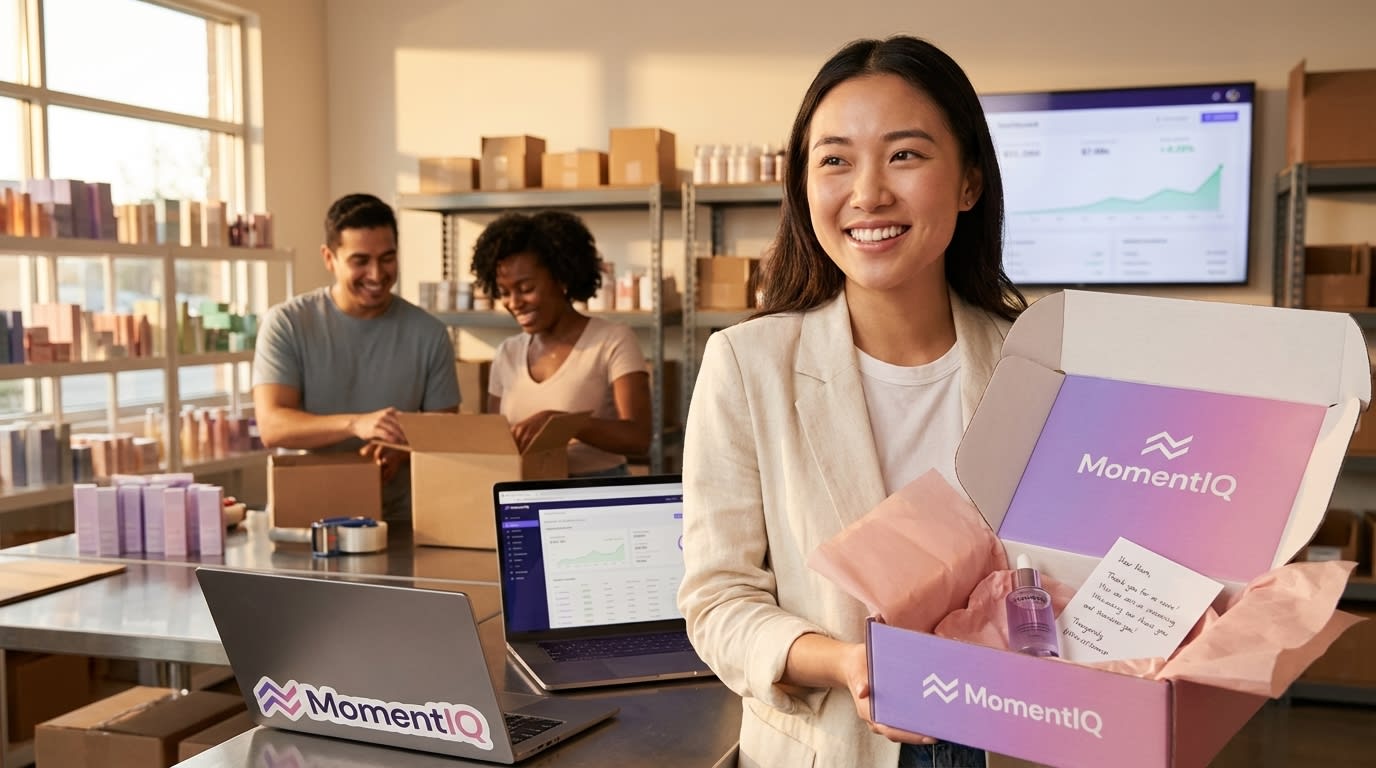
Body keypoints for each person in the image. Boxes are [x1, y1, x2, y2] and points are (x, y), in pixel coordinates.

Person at [677, 36, 1027, 768]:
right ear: (804, 189)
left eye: (905, 154)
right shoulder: (748, 367)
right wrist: (844, 662)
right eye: (835, 159)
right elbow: (718, 600)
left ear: (969, 182)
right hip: (834, 742)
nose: (868, 193)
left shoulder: (1039, 367)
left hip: (1008, 740)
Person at [252, 193, 460, 521]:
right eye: (360, 261)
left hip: (401, 522)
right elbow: (273, 426)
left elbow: (446, 431)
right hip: (306, 518)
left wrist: (400, 451)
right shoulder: (288, 323)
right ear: (329, 258)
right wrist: (356, 424)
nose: (377, 274)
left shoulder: (429, 333)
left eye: (387, 258)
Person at [470, 210, 651, 477]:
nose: (514, 302)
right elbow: (498, 443)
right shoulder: (507, 353)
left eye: (526, 288)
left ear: (561, 278)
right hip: (526, 493)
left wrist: (565, 425)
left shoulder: (612, 340)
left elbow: (638, 437)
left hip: (595, 495)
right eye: (505, 292)